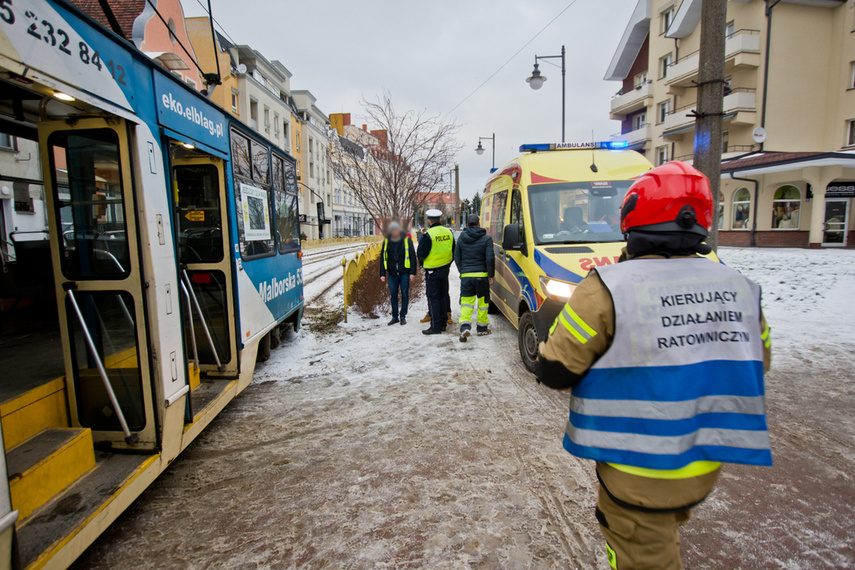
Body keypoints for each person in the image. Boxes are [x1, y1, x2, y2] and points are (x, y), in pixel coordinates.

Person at [536, 161, 773, 570]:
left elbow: (555, 369)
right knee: (664, 533)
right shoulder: (739, 287)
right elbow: (758, 361)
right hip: (701, 460)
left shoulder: (609, 285)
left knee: (642, 552)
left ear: (632, 219)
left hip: (636, 468)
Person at [454, 214, 494, 341]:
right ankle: (482, 328)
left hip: (466, 276)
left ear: (467, 225)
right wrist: (491, 275)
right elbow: (490, 258)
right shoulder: (487, 238)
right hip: (482, 276)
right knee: (483, 302)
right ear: (478, 223)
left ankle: (465, 326)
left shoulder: (461, 238)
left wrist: (462, 271)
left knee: (466, 302)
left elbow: (457, 257)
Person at [417, 209, 454, 335]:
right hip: (445, 269)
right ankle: (443, 323)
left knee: (433, 298)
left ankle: (435, 326)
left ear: (429, 220)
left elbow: (421, 254)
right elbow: (453, 249)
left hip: (432, 271)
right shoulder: (448, 232)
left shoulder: (428, 235)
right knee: (443, 296)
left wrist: (423, 264)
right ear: (440, 219)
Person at [380, 221, 417, 326]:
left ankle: (403, 316)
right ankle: (395, 316)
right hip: (392, 273)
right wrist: (382, 273)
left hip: (404, 272)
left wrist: (412, 273)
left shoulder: (407, 240)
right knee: (393, 296)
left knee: (404, 294)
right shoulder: (387, 241)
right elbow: (383, 258)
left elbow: (412, 256)